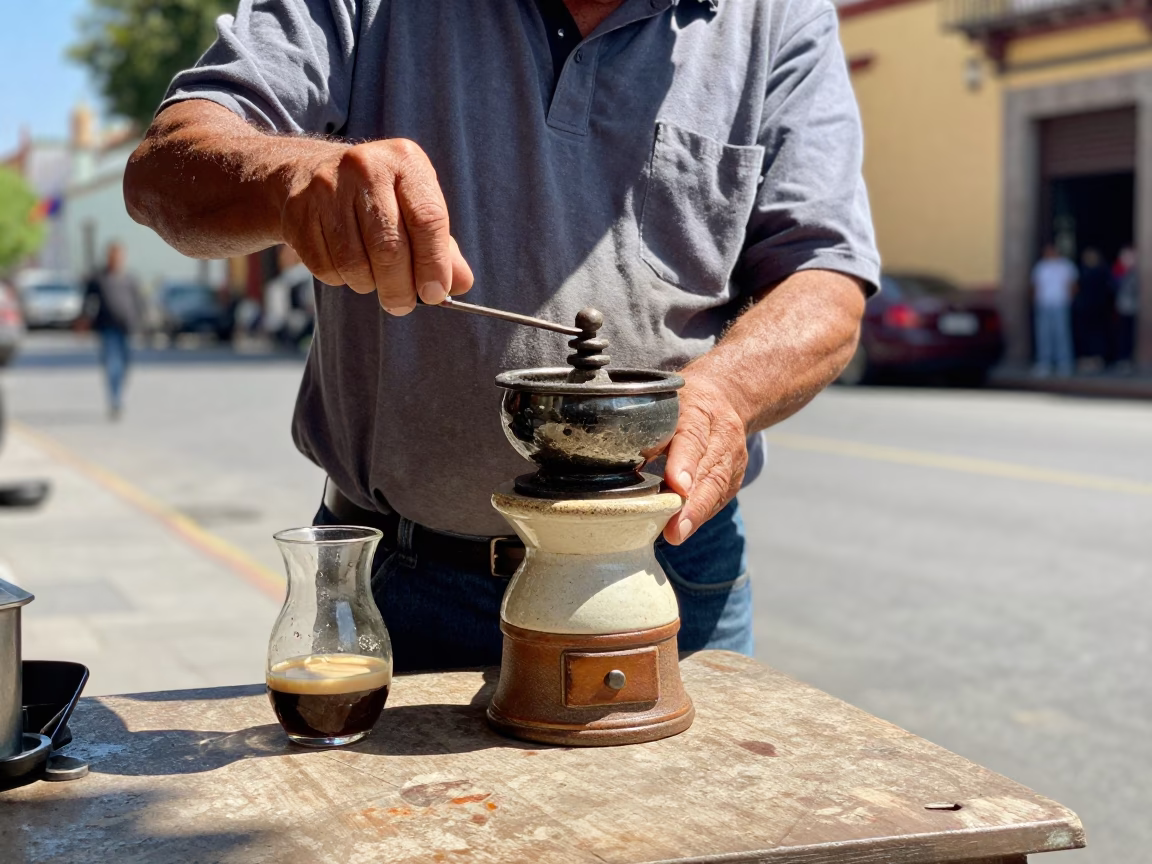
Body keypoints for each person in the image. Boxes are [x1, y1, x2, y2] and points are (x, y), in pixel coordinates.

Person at [123, 0, 879, 671]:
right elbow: (163, 171)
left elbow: (826, 278)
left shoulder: (776, 17)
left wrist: (726, 394)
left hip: (665, 576)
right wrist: (290, 180)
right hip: (404, 585)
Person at [83, 243, 146, 419]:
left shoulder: (130, 279)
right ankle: (115, 401)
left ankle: (118, 394)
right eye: (114, 255)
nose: (117, 259)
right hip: (107, 328)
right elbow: (87, 301)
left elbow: (139, 302)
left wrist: (141, 323)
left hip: (127, 328)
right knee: (112, 365)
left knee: (125, 365)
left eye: (119, 256)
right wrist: (84, 320)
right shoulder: (99, 278)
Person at [1031, 244, 1076, 378]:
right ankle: (1044, 363)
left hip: (1060, 304)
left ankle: (1064, 363)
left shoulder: (1066, 266)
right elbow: (1035, 285)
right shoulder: (1040, 267)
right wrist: (1035, 301)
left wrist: (1069, 300)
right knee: (1044, 335)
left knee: (1062, 334)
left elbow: (1073, 285)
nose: (1049, 253)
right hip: (1044, 304)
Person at [1073, 247, 1112, 371]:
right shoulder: (1083, 270)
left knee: (1097, 334)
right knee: (1087, 334)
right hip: (1087, 308)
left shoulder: (1101, 270)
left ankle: (1097, 360)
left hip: (1097, 308)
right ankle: (1089, 360)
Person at [1112, 246, 1139, 372]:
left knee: (1132, 335)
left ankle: (1131, 360)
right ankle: (1123, 360)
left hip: (1135, 309)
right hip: (1123, 308)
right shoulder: (1119, 271)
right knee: (1123, 335)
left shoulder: (1136, 272)